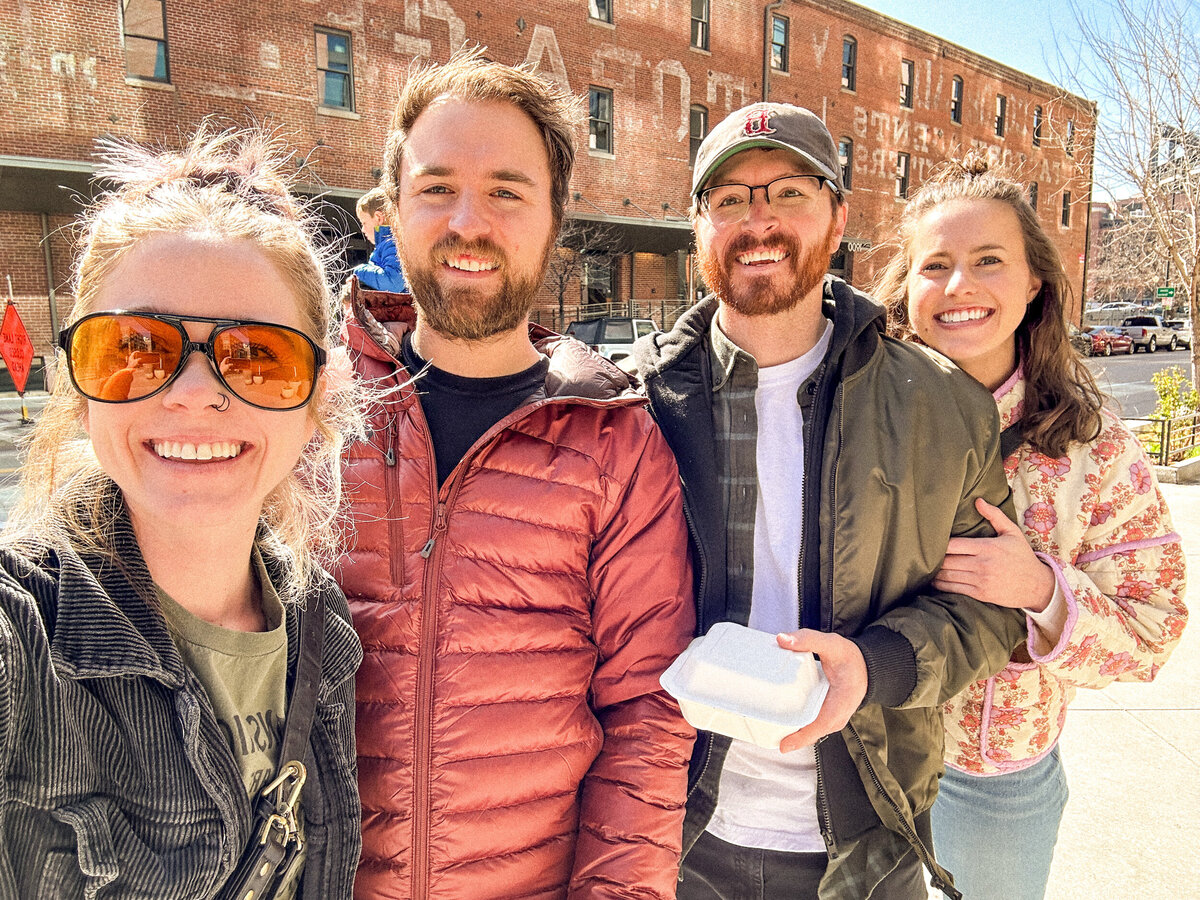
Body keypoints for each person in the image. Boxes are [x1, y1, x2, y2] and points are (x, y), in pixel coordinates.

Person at [629, 102, 1028, 900]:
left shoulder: (943, 408)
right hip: (670, 832)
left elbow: (989, 612)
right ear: (699, 224)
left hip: (863, 840)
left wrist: (874, 667)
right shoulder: (629, 401)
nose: (759, 220)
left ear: (839, 216)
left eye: (790, 193)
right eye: (730, 199)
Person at [336, 51, 696, 900]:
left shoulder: (616, 441)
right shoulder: (305, 409)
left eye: (505, 190)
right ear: (390, 213)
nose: (469, 221)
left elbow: (646, 711)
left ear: (553, 221)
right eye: (435, 188)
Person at [0, 127, 366, 899]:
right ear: (77, 383)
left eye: (257, 356)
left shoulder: (322, 627)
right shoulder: (23, 636)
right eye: (134, 347)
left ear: (315, 401)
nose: (194, 392)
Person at [876, 154, 1188, 900]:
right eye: (936, 264)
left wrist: (1043, 591)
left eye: (989, 260)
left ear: (1033, 282)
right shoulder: (855, 415)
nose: (960, 286)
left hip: (993, 790)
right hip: (857, 761)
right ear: (906, 288)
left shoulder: (1092, 441)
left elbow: (1155, 628)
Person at [353, 186, 408, 293]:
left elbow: (393, 282)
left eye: (364, 223)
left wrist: (358, 272)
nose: (363, 229)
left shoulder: (392, 243)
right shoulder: (388, 243)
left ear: (379, 218)